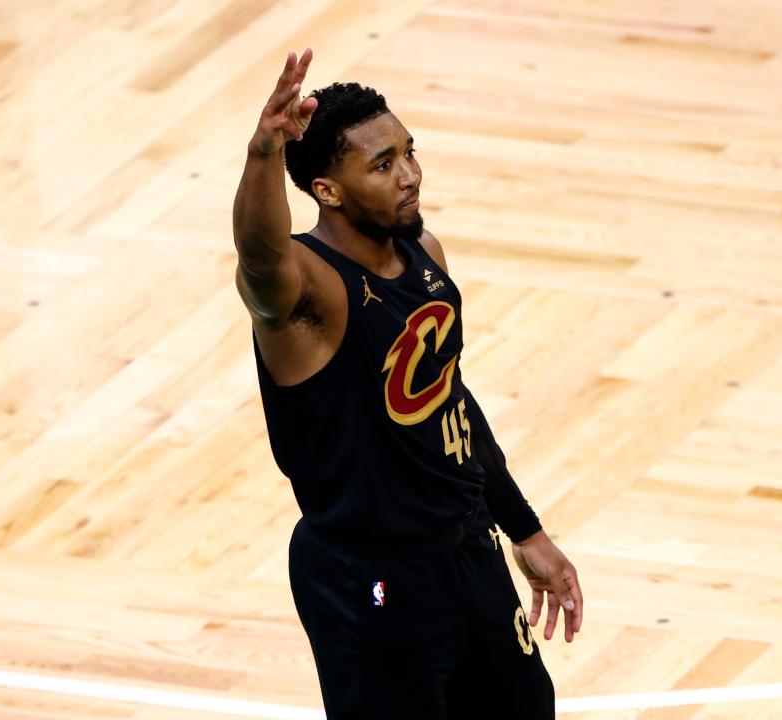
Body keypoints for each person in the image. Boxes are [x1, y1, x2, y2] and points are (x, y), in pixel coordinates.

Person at [232, 48, 583, 719]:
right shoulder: (310, 291)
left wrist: (523, 529)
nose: (411, 175)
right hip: (369, 576)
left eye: (409, 152)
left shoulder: (425, 257)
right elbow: (260, 255)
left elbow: (448, 399)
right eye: (384, 164)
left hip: (466, 553)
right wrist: (262, 157)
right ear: (328, 189)